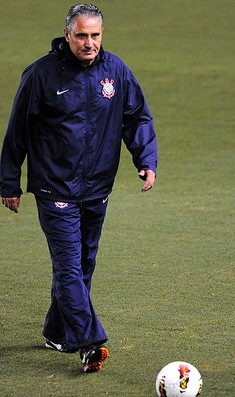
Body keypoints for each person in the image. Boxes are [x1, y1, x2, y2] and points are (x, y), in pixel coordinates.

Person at [0, 3, 157, 373]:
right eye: (82, 35)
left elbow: (136, 117)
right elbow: (17, 131)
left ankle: (57, 332)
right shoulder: (40, 75)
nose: (89, 43)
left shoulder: (115, 71)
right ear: (67, 35)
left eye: (96, 35)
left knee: (83, 266)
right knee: (70, 268)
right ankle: (90, 342)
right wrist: (9, 182)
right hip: (55, 191)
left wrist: (145, 160)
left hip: (97, 188)